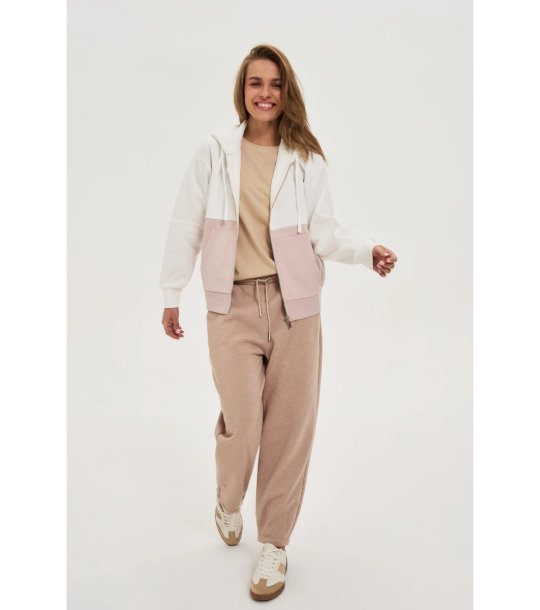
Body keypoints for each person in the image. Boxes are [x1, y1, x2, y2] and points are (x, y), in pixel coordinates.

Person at [159, 43, 397, 602]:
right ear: (241, 91)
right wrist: (171, 293)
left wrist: (365, 251)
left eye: (274, 83)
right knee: (243, 422)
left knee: (290, 429)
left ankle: (274, 542)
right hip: (232, 306)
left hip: (296, 309)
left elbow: (325, 233)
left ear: (286, 92)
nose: (264, 93)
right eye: (255, 83)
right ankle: (228, 499)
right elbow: (185, 223)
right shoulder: (215, 152)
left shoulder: (305, 158)